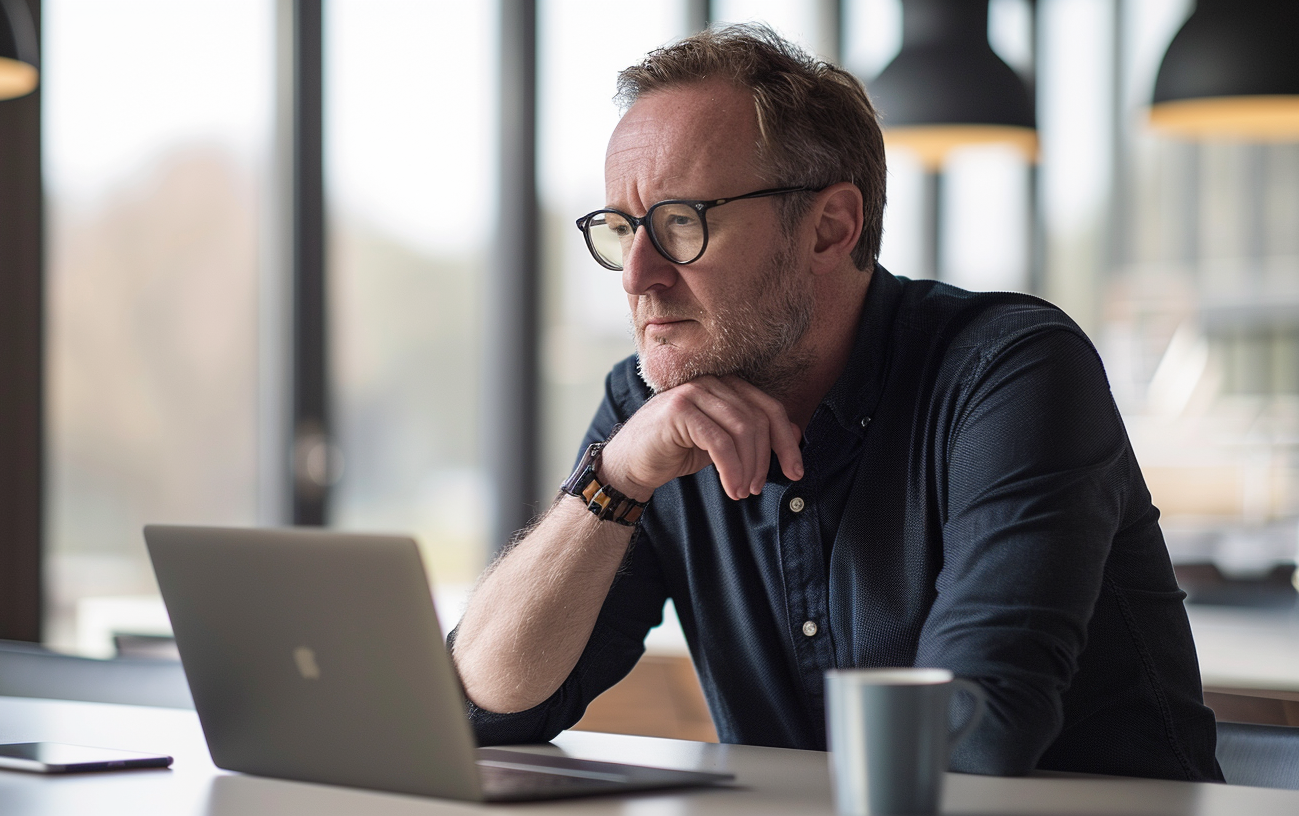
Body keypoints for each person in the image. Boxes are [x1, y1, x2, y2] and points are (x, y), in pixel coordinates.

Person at [449, 24, 1221, 781]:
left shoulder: (1009, 372)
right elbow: (485, 706)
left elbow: (973, 738)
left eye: (680, 223)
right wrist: (613, 482)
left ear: (829, 228)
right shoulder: (650, 413)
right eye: (621, 229)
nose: (635, 274)